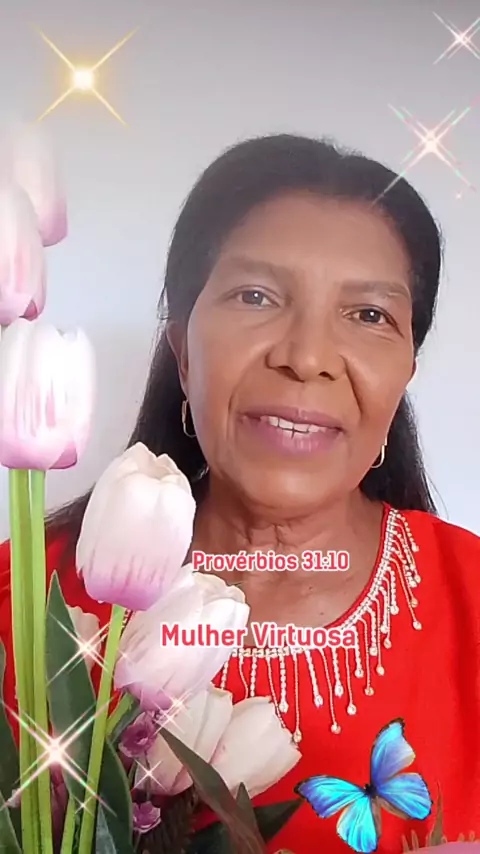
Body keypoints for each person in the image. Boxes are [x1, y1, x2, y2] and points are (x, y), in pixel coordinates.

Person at [1, 133, 480, 854]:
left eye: (369, 315)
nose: (306, 358)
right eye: (255, 296)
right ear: (182, 348)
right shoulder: (26, 608)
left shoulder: (471, 600)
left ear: (406, 369)